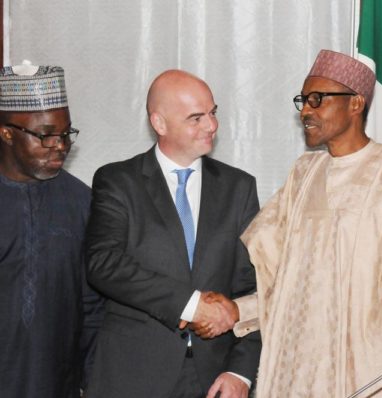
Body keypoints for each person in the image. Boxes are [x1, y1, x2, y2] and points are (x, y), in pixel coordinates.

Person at [240, 50, 382, 397]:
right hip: (302, 372)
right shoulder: (303, 174)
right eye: (303, 100)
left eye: (317, 100)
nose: (305, 111)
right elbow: (277, 279)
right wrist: (231, 310)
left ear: (356, 103)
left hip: (376, 370)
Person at [85, 70, 261, 398]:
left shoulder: (239, 188)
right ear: (160, 123)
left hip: (214, 380)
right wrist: (191, 305)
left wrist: (241, 371)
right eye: (196, 117)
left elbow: (254, 289)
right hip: (133, 378)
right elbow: (103, 263)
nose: (211, 125)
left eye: (213, 112)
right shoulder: (118, 181)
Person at [0, 62, 104, 397]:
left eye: (65, 134)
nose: (59, 145)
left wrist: (93, 383)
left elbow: (92, 308)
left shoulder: (82, 202)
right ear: (6, 132)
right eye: (45, 135)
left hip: (57, 384)